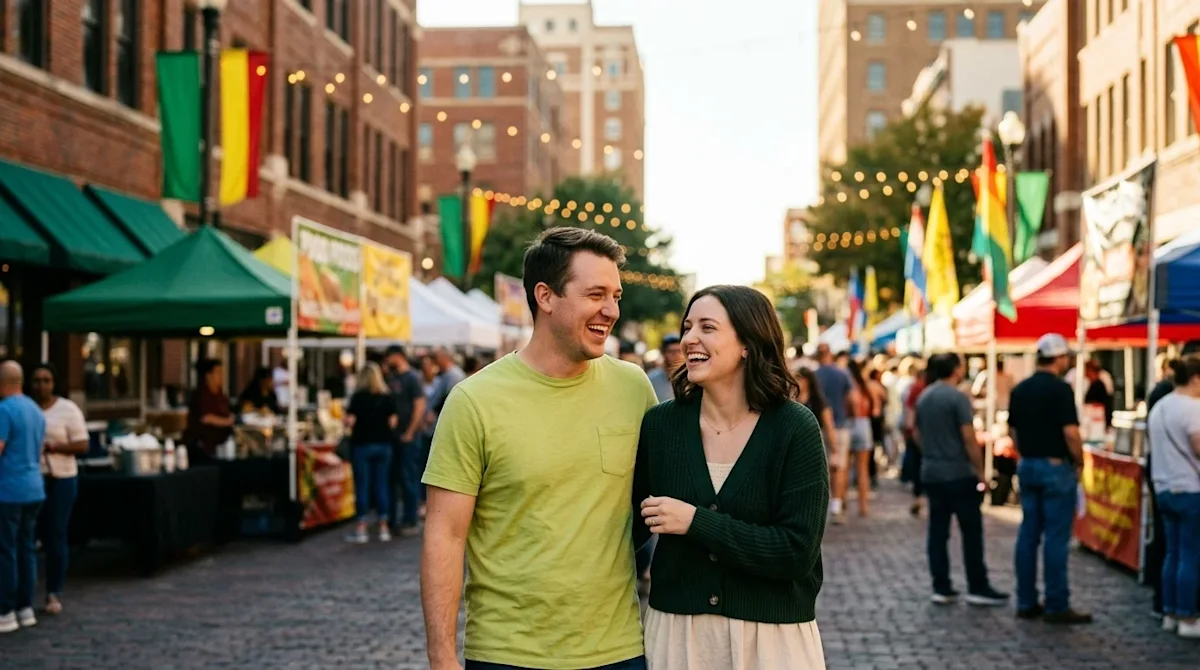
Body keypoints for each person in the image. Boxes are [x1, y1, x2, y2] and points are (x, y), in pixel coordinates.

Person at [421, 227, 658, 670]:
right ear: (546, 297)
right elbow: (444, 535)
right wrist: (441, 657)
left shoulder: (634, 387)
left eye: (616, 296)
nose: (610, 310)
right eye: (595, 295)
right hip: (507, 653)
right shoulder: (475, 400)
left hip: (617, 650)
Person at [634, 285, 829, 669]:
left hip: (772, 641)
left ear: (747, 343)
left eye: (707, 327)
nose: (689, 338)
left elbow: (796, 552)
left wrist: (696, 521)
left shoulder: (793, 427)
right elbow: (626, 529)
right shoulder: (661, 426)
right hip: (679, 637)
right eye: (687, 326)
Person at [1007, 334, 1093, 625]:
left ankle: (1026, 600)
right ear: (1058, 358)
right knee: (1056, 538)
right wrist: (1080, 461)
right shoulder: (1060, 390)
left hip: (1028, 465)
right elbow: (1070, 432)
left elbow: (1013, 431)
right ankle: (1056, 603)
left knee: (1028, 534)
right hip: (1055, 467)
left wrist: (1025, 453)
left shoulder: (1021, 389)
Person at [914, 353, 1008, 607]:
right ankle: (977, 585)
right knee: (971, 532)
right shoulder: (957, 397)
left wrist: (932, 454)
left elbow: (915, 432)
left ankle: (941, 585)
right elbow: (969, 438)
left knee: (938, 532)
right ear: (955, 369)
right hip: (958, 473)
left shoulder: (925, 397)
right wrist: (980, 471)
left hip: (933, 472)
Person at [1147, 355, 1200, 639]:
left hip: (1164, 487)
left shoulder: (1161, 406)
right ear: (1195, 379)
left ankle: (1169, 611)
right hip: (1189, 489)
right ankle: (1188, 616)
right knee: (1190, 555)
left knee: (1173, 552)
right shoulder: (1193, 408)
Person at [29, 364, 87, 616]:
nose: (41, 385)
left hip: (60, 478)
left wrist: (54, 447)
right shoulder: (24, 408)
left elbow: (82, 443)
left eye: (46, 380)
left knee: (56, 533)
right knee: (28, 536)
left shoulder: (67, 409)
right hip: (32, 477)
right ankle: (23, 594)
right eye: (37, 380)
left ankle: (54, 591)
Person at [0, 361, 46, 633]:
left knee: (6, 550)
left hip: (9, 489)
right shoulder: (35, 410)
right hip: (34, 487)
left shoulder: (4, 411)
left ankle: (5, 611)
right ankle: (25, 607)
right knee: (27, 549)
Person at [344, 362, 399, 544]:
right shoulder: (386, 397)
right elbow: (393, 423)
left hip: (362, 444)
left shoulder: (358, 398)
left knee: (362, 486)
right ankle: (383, 526)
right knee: (381, 485)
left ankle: (362, 527)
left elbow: (349, 422)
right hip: (383, 445)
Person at [383, 345, 427, 536]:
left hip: (409, 436)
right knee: (393, 479)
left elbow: (420, 406)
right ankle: (394, 519)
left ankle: (411, 519)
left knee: (409, 477)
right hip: (393, 437)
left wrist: (410, 431)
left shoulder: (412, 378)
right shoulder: (392, 378)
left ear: (398, 357)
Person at [814, 343, 857, 524]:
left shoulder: (814, 375)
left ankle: (819, 506)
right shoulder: (842, 374)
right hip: (839, 424)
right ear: (830, 354)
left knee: (818, 468)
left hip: (816, 426)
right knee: (839, 467)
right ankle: (837, 505)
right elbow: (853, 399)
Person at [183, 359, 234, 463]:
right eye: (218, 373)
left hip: (222, 446)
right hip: (203, 448)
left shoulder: (221, 396)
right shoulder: (201, 395)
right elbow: (206, 418)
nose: (221, 377)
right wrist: (227, 422)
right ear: (208, 375)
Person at [846, 359, 874, 516]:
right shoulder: (865, 385)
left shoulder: (846, 385)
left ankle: (842, 503)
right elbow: (875, 408)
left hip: (848, 423)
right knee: (862, 469)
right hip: (864, 424)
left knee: (844, 468)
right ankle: (863, 507)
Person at [797, 367, 837, 449]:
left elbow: (828, 424)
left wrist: (833, 445)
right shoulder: (794, 400)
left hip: (815, 441)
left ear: (807, 381)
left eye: (799, 379)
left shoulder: (818, 401)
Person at [647, 334, 683, 402]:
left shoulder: (691, 379)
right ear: (663, 353)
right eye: (672, 352)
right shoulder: (652, 379)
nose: (676, 355)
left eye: (679, 351)